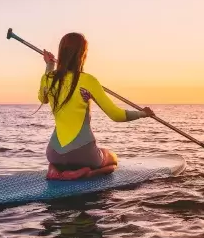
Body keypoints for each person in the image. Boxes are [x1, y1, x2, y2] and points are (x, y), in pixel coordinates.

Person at [38, 32, 154, 174]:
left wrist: (49, 66)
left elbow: (43, 98)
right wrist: (143, 113)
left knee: (63, 159)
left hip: (53, 154)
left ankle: (55, 170)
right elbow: (116, 115)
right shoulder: (88, 81)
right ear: (82, 55)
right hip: (83, 154)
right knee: (112, 159)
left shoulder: (48, 78)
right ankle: (85, 173)